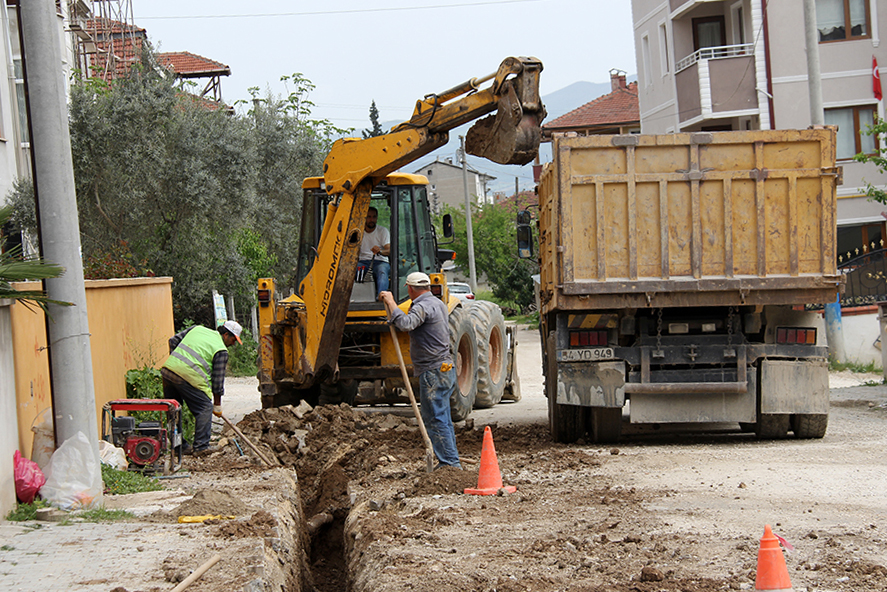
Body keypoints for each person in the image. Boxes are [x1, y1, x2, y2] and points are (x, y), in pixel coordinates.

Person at [379, 273, 461, 469]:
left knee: (435, 417)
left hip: (433, 370)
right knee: (443, 417)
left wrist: (391, 303)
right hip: (444, 367)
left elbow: (406, 324)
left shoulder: (422, 306)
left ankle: (449, 463)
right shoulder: (437, 303)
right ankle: (450, 459)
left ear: (409, 288)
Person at [161, 320, 242, 456]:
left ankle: (179, 447)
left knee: (174, 410)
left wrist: (176, 363)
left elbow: (172, 341)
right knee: (205, 408)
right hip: (187, 376)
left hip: (168, 371)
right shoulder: (221, 350)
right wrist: (217, 405)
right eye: (233, 340)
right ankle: (201, 447)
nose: (233, 344)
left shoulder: (197, 329)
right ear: (226, 335)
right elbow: (217, 382)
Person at [358, 206, 390, 298]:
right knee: (350, 272)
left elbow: (389, 250)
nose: (371, 220)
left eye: (374, 217)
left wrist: (380, 251)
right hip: (362, 261)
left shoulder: (382, 231)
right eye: (369, 217)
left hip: (380, 261)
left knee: (382, 271)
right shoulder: (358, 232)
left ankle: (381, 297)